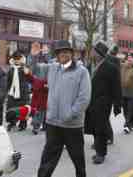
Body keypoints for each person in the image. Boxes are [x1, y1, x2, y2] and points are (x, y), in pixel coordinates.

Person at [33, 40, 91, 177]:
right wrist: (34, 56)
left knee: (78, 160)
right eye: (60, 52)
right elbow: (34, 71)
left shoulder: (81, 72)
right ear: (57, 55)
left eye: (66, 51)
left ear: (71, 53)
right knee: (47, 160)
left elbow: (84, 98)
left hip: (72, 125)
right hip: (53, 123)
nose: (63, 54)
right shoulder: (52, 68)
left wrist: (70, 114)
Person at [84, 41, 122, 164]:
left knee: (100, 128)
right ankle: (98, 149)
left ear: (99, 54)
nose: (91, 52)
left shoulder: (111, 68)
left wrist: (117, 105)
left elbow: (117, 87)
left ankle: (101, 153)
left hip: (103, 103)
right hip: (91, 101)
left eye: (93, 51)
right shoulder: (90, 65)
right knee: (94, 127)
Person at [6, 50, 31, 131]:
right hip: (12, 93)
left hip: (23, 92)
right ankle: (12, 122)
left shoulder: (24, 67)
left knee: (22, 108)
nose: (17, 60)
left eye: (18, 58)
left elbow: (29, 75)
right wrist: (7, 91)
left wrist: (24, 66)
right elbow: (8, 81)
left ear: (21, 58)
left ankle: (22, 124)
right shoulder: (11, 69)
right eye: (15, 58)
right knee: (11, 108)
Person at [104, 44, 121, 144]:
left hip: (108, 92)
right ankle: (107, 137)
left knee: (105, 117)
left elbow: (116, 77)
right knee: (104, 117)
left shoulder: (112, 60)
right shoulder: (115, 60)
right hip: (107, 91)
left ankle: (109, 136)